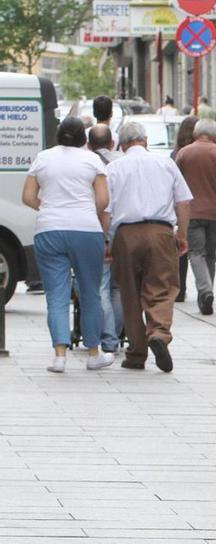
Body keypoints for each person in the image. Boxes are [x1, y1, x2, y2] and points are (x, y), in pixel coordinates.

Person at [20, 117, 115, 373]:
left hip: (49, 230)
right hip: (86, 230)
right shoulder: (92, 160)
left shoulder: (43, 158)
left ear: (59, 135)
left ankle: (60, 356)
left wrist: (49, 208)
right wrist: (85, 211)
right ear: (84, 139)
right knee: (90, 293)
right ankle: (94, 353)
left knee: (56, 295)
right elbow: (104, 199)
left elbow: (28, 196)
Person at [105, 121, 193, 373]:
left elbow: (106, 210)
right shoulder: (165, 163)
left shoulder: (114, 168)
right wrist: (182, 234)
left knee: (130, 294)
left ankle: (136, 353)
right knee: (162, 287)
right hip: (161, 231)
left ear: (121, 145)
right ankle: (159, 333)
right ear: (145, 140)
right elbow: (184, 202)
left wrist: (108, 241)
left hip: (126, 234)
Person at [176, 118, 216, 315]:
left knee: (195, 253)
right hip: (215, 213)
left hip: (192, 212)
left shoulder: (183, 154)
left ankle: (205, 290)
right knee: (210, 254)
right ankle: (207, 293)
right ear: (215, 136)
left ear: (195, 134)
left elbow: (174, 183)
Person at [87, 124, 124, 353]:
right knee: (118, 287)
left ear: (89, 144)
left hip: (98, 226)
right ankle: (117, 335)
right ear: (112, 143)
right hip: (123, 228)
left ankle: (109, 338)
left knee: (100, 284)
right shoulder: (122, 162)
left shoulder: (86, 163)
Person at [172, 116, 199, 303]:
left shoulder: (177, 154)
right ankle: (206, 287)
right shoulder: (207, 151)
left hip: (181, 206)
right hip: (202, 206)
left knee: (180, 250)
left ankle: (180, 288)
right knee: (202, 252)